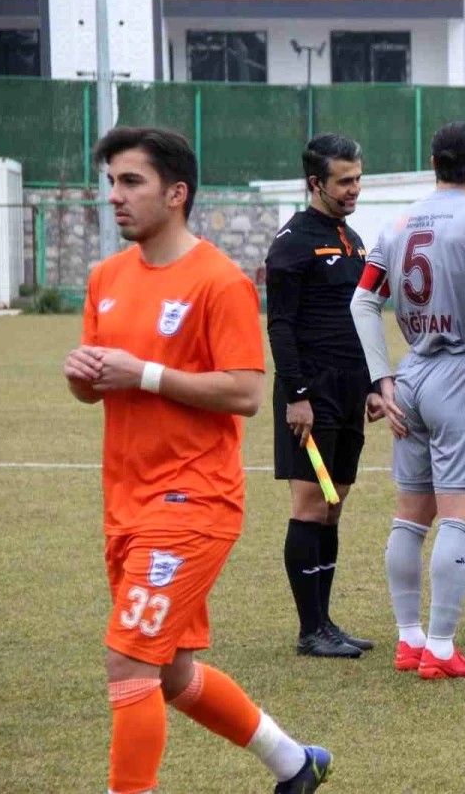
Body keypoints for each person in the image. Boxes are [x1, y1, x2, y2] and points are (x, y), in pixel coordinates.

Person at [64, 126, 329, 793]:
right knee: (172, 671)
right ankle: (295, 763)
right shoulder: (106, 278)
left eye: (132, 182)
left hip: (192, 503)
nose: (115, 197)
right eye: (112, 183)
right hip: (125, 502)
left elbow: (244, 390)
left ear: (176, 192)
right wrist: (83, 374)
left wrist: (145, 373)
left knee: (128, 662)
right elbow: (99, 386)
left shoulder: (220, 281)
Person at [350, 122, 465, 680]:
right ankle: (440, 649)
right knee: (462, 515)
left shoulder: (397, 222)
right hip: (461, 371)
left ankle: (409, 639)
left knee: (411, 514)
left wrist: (382, 377)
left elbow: (362, 301)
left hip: (412, 373)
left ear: (434, 164)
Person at [266, 132, 374, 659]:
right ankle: (310, 629)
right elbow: (281, 327)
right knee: (310, 506)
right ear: (316, 183)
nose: (354, 188)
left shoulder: (351, 238)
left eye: (357, 178)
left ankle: (327, 621)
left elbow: (361, 317)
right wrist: (296, 395)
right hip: (311, 391)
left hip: (351, 389)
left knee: (334, 504)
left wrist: (374, 383)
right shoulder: (292, 242)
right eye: (344, 181)